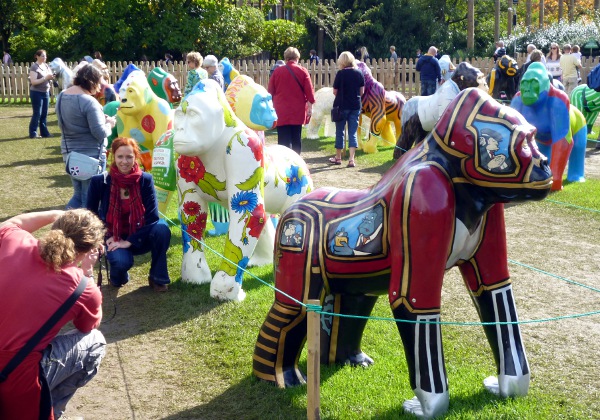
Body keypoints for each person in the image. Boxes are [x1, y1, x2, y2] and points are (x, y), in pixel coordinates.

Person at [0, 209, 106, 419]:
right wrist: (88, 273)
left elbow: (16, 221)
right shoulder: (82, 287)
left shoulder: (14, 240)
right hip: (15, 378)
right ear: (89, 249)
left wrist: (56, 213)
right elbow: (89, 325)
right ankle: (53, 410)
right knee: (95, 343)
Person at [87, 137, 172, 292]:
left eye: (129, 157)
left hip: (140, 234)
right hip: (114, 236)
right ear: (113, 157)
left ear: (136, 157)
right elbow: (90, 217)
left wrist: (129, 242)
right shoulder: (100, 181)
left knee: (162, 229)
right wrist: (105, 237)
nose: (124, 161)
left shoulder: (145, 180)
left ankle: (157, 277)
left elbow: (152, 217)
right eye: (120, 156)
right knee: (120, 264)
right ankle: (118, 275)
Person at [57, 63, 116, 209]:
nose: (99, 88)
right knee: (90, 200)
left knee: (78, 196)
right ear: (92, 81)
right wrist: (110, 124)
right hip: (91, 157)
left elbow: (65, 124)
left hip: (69, 154)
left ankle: (65, 226)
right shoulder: (89, 101)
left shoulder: (62, 96)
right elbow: (100, 133)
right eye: (99, 83)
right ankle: (81, 230)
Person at [268, 47, 316, 155]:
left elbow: (270, 91)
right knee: (296, 138)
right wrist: (310, 107)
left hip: (281, 110)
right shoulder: (303, 71)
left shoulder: (277, 72)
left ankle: (284, 162)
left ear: (286, 58)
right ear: (297, 58)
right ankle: (296, 163)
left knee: (283, 139)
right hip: (297, 110)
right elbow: (310, 92)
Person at [329, 51, 365, 168]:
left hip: (342, 105)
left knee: (340, 131)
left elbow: (335, 91)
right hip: (355, 105)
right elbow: (362, 91)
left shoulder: (340, 74)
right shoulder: (359, 73)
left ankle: (338, 157)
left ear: (342, 61)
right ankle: (351, 159)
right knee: (352, 132)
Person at [28, 49, 56, 139]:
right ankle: (33, 133)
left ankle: (44, 132)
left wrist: (51, 77)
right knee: (37, 113)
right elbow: (33, 82)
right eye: (43, 56)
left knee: (44, 113)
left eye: (45, 56)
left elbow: (49, 75)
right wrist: (45, 78)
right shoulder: (34, 67)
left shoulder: (46, 66)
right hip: (36, 93)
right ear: (37, 56)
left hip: (46, 92)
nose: (45, 57)